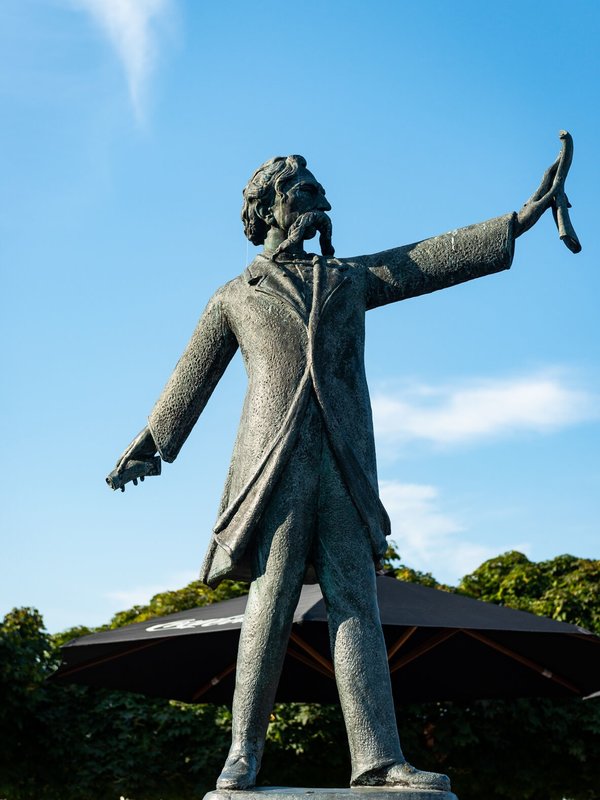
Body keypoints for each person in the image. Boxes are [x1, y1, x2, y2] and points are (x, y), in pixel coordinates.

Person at [112, 149, 567, 792]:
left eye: (318, 187)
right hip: (272, 467)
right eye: (303, 189)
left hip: (342, 461)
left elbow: (427, 260)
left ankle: (377, 757)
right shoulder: (234, 297)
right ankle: (242, 752)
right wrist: (153, 441)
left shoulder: (349, 277)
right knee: (268, 606)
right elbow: (194, 374)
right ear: (267, 209)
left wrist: (518, 219)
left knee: (358, 602)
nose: (319, 197)